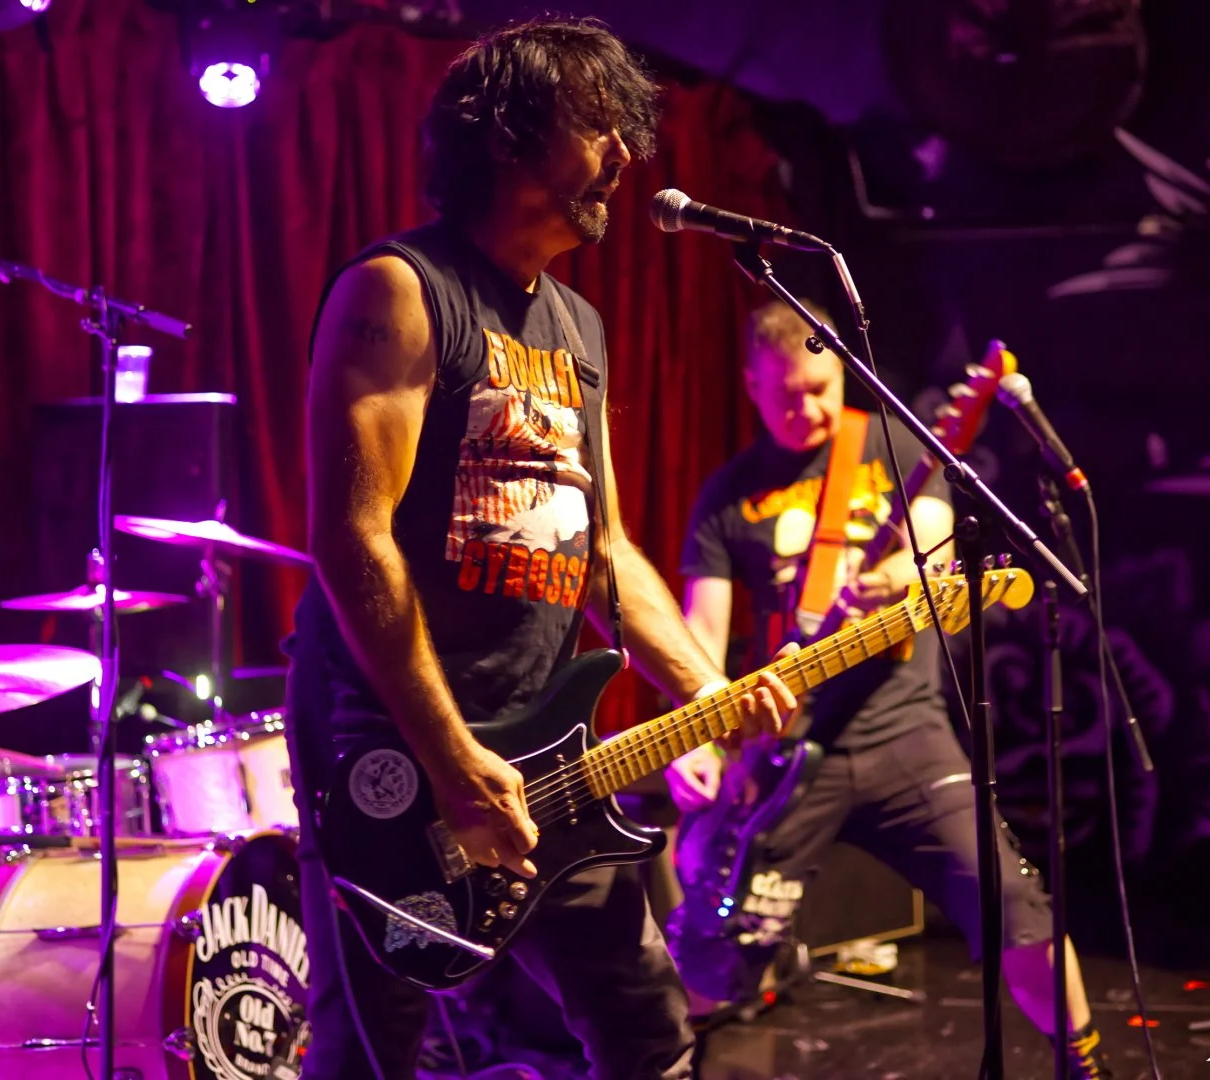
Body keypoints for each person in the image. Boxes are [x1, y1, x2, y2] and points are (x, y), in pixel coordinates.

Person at [285, 17, 798, 1080]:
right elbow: (352, 537)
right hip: (392, 750)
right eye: (599, 125)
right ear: (510, 134)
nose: (625, 154)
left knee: (648, 1034)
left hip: (547, 752)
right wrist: (448, 755)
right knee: (370, 1052)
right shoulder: (401, 290)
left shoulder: (578, 325)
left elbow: (604, 548)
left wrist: (706, 690)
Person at [668, 298, 1113, 1079]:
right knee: (711, 940)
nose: (806, 409)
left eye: (818, 389)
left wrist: (899, 575)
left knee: (1016, 908)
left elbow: (931, 550)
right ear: (750, 385)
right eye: (785, 395)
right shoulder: (728, 494)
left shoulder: (895, 444)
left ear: (841, 373)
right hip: (787, 752)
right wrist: (697, 735)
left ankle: (1086, 1067)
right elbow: (700, 637)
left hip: (905, 733)